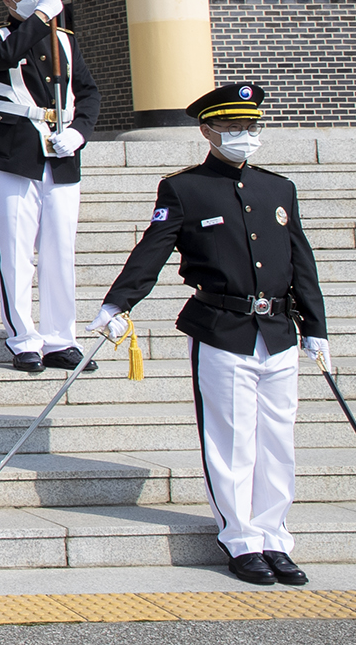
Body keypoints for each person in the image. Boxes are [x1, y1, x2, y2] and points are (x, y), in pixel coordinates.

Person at [90, 83, 327, 587]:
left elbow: (300, 260)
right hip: (223, 329)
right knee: (232, 440)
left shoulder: (278, 188)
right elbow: (152, 250)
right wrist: (118, 303)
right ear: (207, 131)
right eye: (233, 127)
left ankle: (274, 537)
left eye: (251, 126)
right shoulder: (186, 189)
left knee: (278, 441)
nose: (245, 135)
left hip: (278, 331)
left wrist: (316, 328)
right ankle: (241, 539)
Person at [0, 0, 100, 373]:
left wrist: (79, 132)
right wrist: (41, 16)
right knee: (16, 251)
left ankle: (61, 339)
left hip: (61, 153)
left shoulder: (66, 40)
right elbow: (2, 58)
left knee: (60, 250)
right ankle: (23, 338)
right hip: (12, 151)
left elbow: (89, 92)